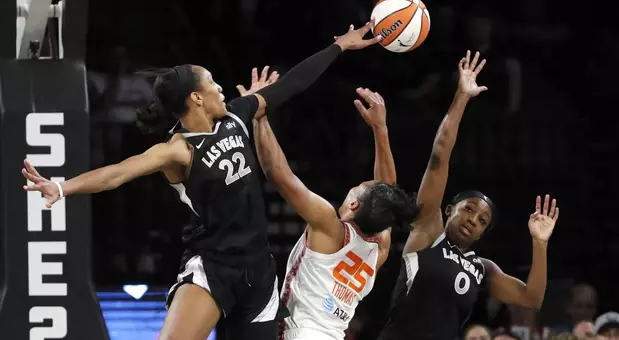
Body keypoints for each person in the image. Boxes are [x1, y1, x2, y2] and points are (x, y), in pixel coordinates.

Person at [21, 22, 381, 340]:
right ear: (196, 98)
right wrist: (63, 187)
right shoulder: (177, 150)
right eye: (212, 83)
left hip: (259, 271)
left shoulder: (238, 115)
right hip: (214, 265)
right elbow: (117, 172)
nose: (221, 87)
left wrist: (340, 47)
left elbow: (292, 85)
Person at [377, 51, 561, 340]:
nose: (473, 219)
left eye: (482, 220)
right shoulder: (428, 231)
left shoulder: (482, 267)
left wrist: (539, 243)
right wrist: (461, 97)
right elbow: (439, 158)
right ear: (449, 209)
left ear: (481, 234)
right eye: (469, 209)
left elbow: (532, 298)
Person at [243, 76, 418, 340]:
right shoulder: (378, 248)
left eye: (359, 185)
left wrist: (259, 114)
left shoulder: (329, 226)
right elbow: (387, 193)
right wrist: (380, 129)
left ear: (354, 203)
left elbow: (278, 173)